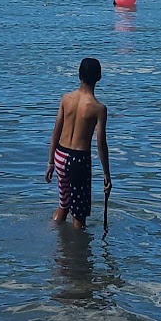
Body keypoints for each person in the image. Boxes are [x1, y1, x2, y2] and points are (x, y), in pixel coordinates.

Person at [46, 56, 111, 229]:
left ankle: (51, 232)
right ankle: (76, 244)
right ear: (99, 77)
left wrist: (50, 162)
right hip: (78, 160)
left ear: (79, 75)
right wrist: (106, 174)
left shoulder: (66, 99)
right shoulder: (99, 108)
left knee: (64, 205)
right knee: (79, 215)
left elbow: (56, 131)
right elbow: (101, 144)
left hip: (60, 155)